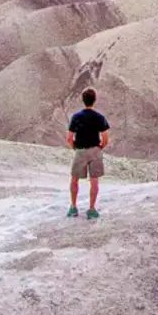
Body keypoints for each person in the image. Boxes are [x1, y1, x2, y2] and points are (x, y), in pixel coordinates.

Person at [66, 89, 110, 219]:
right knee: (94, 181)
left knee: (74, 179)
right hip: (95, 150)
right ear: (94, 100)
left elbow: (69, 138)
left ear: (83, 100)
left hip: (80, 150)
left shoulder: (76, 117)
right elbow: (105, 138)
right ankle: (91, 209)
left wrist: (75, 148)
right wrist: (99, 147)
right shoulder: (99, 117)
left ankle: (73, 207)